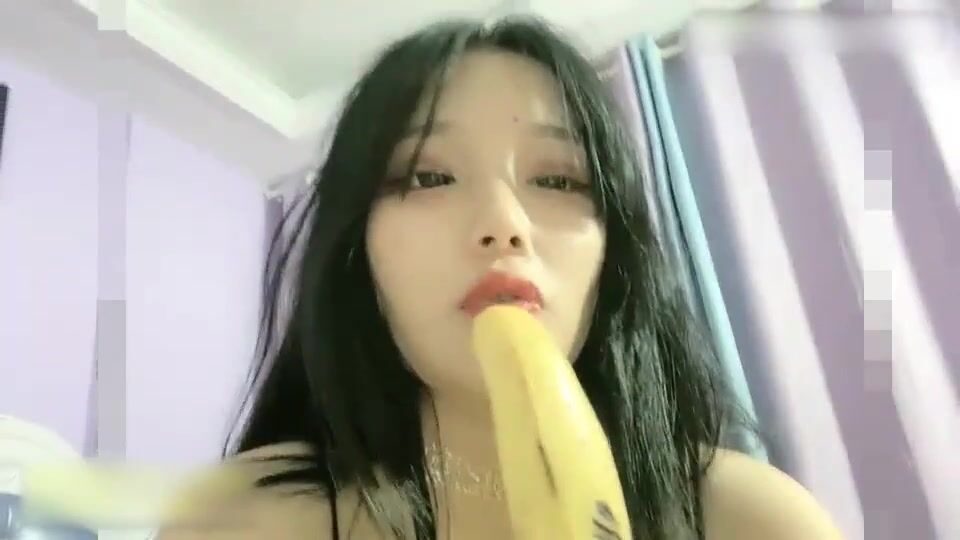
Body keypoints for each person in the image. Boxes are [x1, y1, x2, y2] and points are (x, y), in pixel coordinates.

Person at [157, 15, 843, 540]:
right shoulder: (242, 520)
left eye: (559, 179)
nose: (503, 223)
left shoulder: (752, 518)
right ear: (356, 249)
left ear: (614, 256)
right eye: (429, 176)